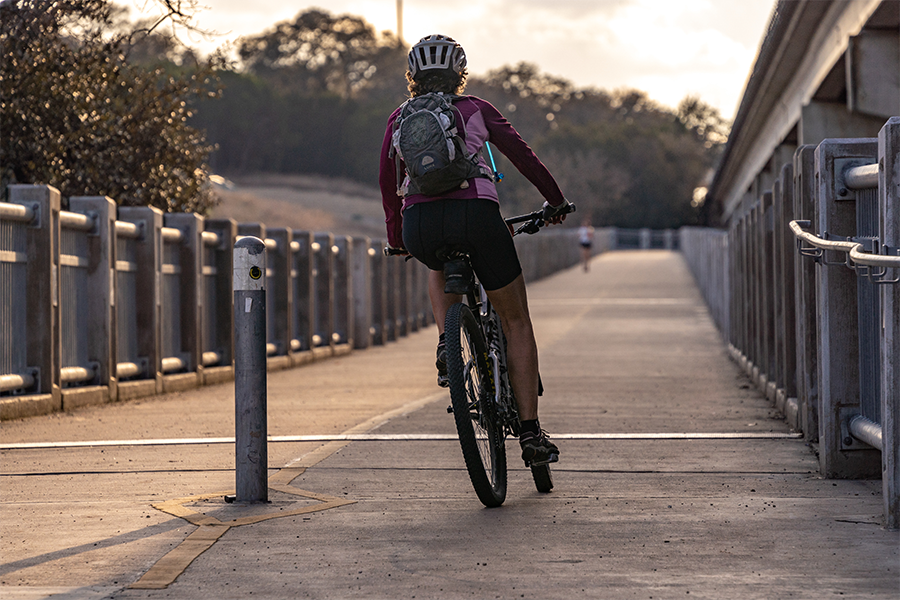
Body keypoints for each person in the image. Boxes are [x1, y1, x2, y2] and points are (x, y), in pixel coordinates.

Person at [379, 34, 572, 467]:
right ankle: (530, 434)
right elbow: (523, 156)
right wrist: (554, 201)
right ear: (459, 73)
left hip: (421, 225)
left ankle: (447, 343)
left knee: (435, 260)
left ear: (412, 77)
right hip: (478, 216)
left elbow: (387, 183)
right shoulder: (477, 109)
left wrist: (397, 239)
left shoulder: (398, 118)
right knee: (516, 319)